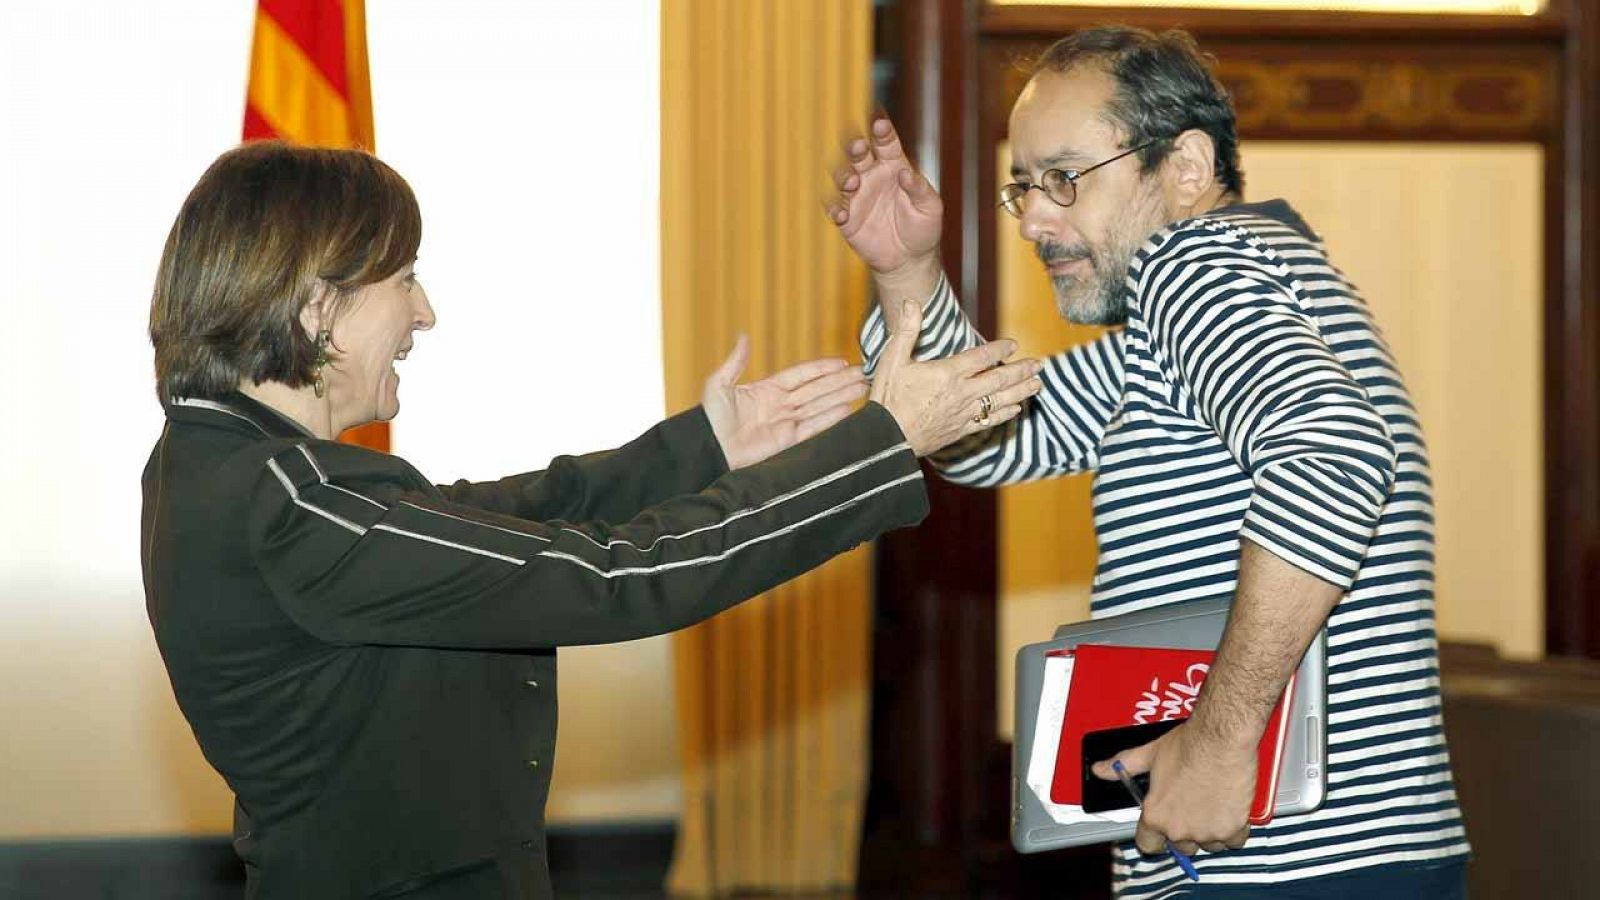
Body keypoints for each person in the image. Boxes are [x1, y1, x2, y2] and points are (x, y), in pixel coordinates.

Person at [142, 141, 1043, 898]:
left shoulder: (236, 466)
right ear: (317, 305)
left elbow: (503, 518)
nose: (424, 312)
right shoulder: (289, 501)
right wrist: (880, 446)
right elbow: (612, 576)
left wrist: (708, 446)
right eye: (404, 280)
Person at [828, 25, 1469, 899]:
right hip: (1342, 858)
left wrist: (1217, 738)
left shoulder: (1197, 267)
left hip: (1286, 865)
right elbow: (989, 436)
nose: (1036, 219)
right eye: (1024, 188)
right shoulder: (1242, 291)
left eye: (1065, 179)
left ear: (1187, 168)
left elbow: (1334, 454)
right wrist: (907, 273)